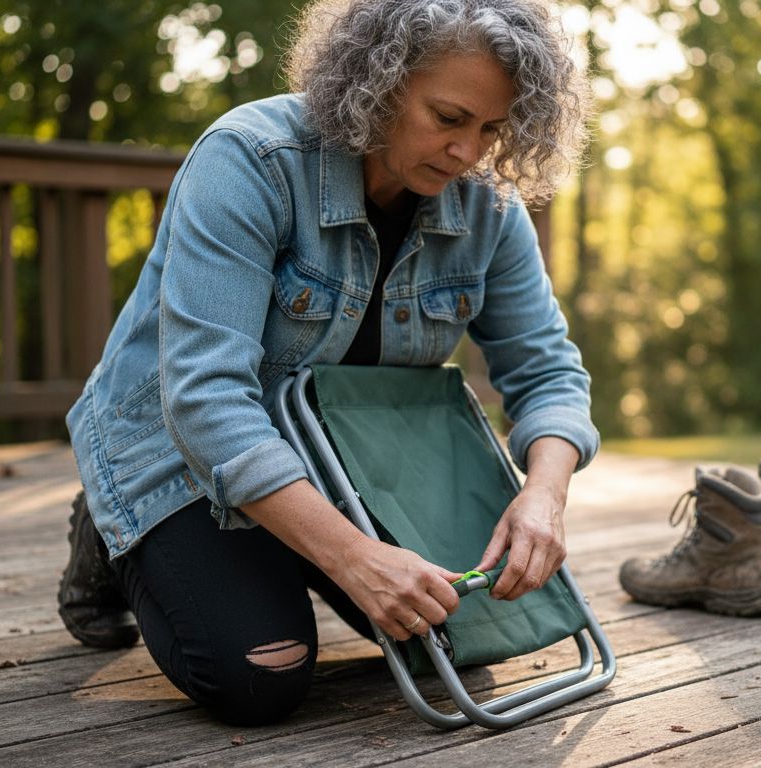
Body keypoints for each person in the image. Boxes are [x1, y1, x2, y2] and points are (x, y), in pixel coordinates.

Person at [56, 0, 597, 727]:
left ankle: (280, 550)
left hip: (348, 463)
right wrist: (352, 557)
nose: (469, 152)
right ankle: (113, 519)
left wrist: (545, 495)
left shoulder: (488, 210)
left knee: (462, 636)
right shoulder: (250, 160)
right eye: (448, 117)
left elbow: (549, 373)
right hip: (181, 453)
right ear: (377, 83)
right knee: (261, 676)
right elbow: (206, 399)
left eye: (493, 128)